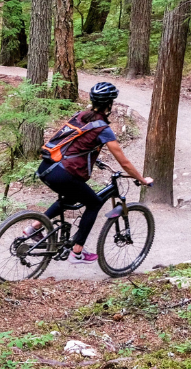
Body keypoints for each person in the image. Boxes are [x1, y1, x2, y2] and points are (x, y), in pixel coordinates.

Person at [25, 82, 153, 263]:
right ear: (110, 104)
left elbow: (72, 143)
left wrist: (93, 157)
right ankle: (76, 252)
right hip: (63, 174)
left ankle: (34, 227)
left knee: (70, 198)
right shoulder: (102, 128)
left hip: (46, 167)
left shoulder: (80, 116)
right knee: (94, 203)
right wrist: (141, 179)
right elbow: (124, 162)